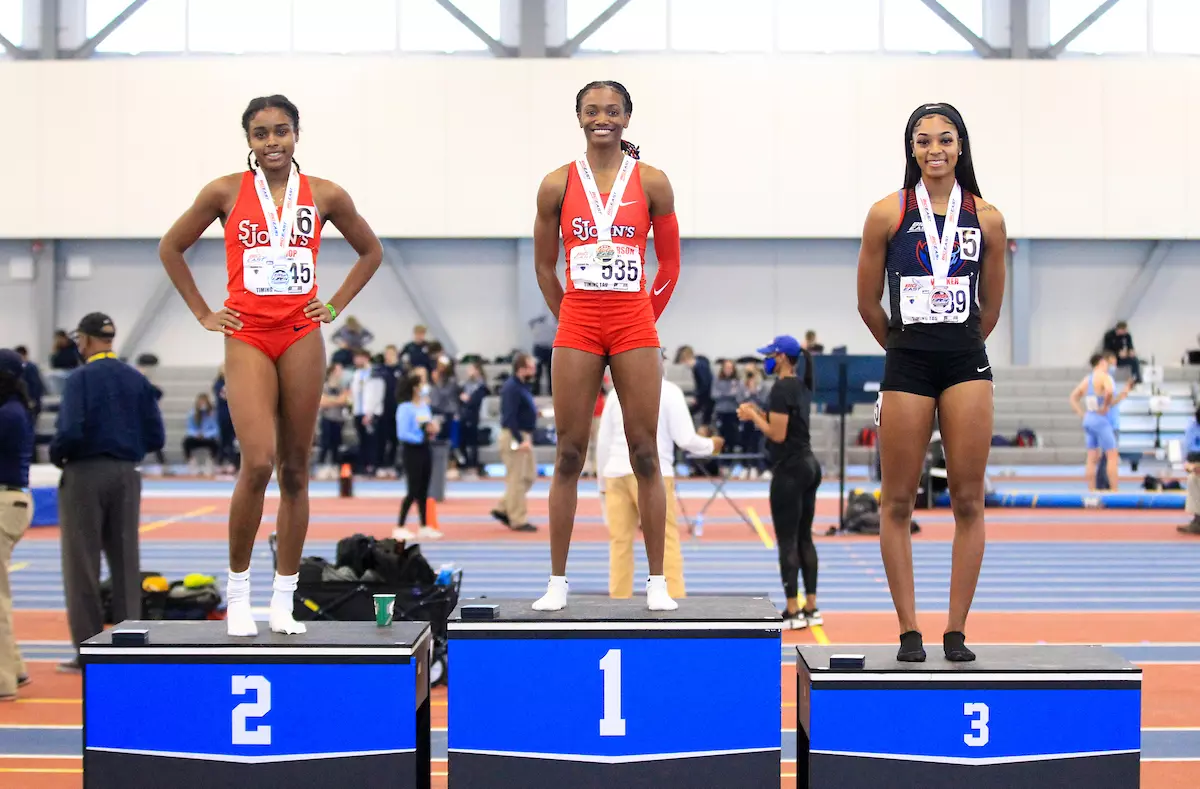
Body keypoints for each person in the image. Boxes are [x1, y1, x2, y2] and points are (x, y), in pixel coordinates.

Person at [158, 94, 383, 637]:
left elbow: (370, 251)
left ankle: (284, 596)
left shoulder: (326, 194)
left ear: (297, 134)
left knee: (297, 472)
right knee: (257, 463)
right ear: (249, 142)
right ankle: (239, 592)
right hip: (248, 335)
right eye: (261, 134)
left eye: (281, 131)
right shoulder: (224, 191)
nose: (273, 142)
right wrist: (204, 313)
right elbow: (171, 247)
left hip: (302, 333)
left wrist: (332, 305)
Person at [856, 103, 1007, 662]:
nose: (935, 149)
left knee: (968, 499)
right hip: (907, 363)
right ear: (911, 149)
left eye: (945, 139)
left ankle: (957, 630)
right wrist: (900, 347)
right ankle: (908, 631)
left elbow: (991, 304)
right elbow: (867, 301)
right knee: (896, 501)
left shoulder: (987, 218)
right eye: (924, 141)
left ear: (961, 146)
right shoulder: (887, 214)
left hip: (965, 361)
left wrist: (962, 341)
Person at [531, 80, 682, 611]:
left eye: (612, 110)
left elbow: (670, 264)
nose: (603, 118)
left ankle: (658, 582)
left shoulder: (653, 183)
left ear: (626, 118)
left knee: (646, 453)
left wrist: (642, 317)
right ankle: (557, 582)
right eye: (592, 110)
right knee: (569, 453)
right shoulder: (556, 184)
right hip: (578, 324)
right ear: (578, 118)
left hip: (633, 324)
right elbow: (545, 266)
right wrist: (570, 317)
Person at [49, 314, 164, 671]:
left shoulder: (79, 378)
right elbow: (156, 437)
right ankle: (128, 643)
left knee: (82, 563)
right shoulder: (136, 379)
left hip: (85, 471)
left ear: (84, 340)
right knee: (126, 560)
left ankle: (88, 649)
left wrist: (58, 456)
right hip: (127, 473)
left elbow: (69, 429)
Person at [596, 348, 722, 600]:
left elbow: (603, 442)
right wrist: (711, 446)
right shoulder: (670, 392)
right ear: (661, 361)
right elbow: (685, 438)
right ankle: (674, 595)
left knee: (619, 543)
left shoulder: (615, 393)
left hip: (616, 473)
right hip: (655, 475)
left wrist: (601, 483)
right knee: (666, 541)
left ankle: (618, 601)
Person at [736, 336, 823, 630]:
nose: (767, 360)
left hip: (790, 470)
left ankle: (792, 610)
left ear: (783, 357)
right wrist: (760, 415)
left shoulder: (780, 388)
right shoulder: (802, 385)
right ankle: (811, 607)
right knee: (804, 538)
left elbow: (777, 434)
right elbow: (789, 425)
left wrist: (752, 416)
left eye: (771, 354)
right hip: (809, 465)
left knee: (787, 541)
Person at [0, 349, 34, 700]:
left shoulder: (8, 414)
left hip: (5, 503)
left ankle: (3, 680)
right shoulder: (12, 409)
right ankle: (16, 667)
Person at [491, 354, 539, 534]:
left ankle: (503, 507)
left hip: (523, 434)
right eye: (531, 366)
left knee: (529, 476)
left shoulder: (522, 386)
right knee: (517, 479)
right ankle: (518, 519)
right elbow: (509, 417)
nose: (534, 370)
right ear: (522, 368)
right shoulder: (511, 388)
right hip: (514, 435)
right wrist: (520, 440)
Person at [393, 373, 442, 541]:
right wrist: (420, 435)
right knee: (412, 489)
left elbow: (428, 425)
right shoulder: (405, 408)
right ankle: (400, 525)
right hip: (411, 450)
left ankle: (424, 525)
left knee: (423, 489)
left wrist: (432, 430)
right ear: (415, 388)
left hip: (425, 448)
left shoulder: (423, 406)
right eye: (421, 385)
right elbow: (403, 433)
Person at [1070, 354, 1119, 492]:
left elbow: (1073, 397)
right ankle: (1114, 490)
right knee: (1112, 454)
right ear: (1102, 362)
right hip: (1100, 419)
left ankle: (1091, 491)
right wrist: (1106, 405)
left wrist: (1082, 414)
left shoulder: (1088, 379)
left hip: (1089, 418)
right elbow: (1109, 390)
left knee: (1091, 457)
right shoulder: (1104, 376)